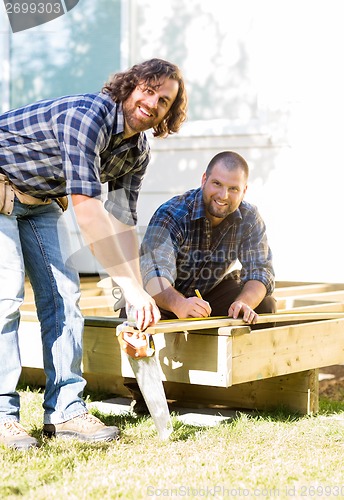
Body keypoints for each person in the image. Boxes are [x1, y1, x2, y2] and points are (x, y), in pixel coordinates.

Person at [0, 58, 187, 450]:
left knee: (65, 298)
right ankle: (2, 416)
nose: (152, 103)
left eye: (164, 101)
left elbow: (121, 224)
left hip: (40, 199)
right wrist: (133, 290)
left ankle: (67, 411)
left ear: (168, 114)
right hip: (2, 183)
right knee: (7, 295)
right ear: (130, 87)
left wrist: (133, 295)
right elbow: (88, 210)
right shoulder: (88, 116)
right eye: (148, 90)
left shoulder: (136, 151)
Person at [125, 150, 276, 413]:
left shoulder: (250, 218)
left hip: (208, 293)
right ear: (204, 179)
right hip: (160, 298)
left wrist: (243, 302)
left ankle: (251, 391)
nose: (223, 195)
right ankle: (146, 395)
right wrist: (181, 305)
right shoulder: (172, 214)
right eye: (217, 184)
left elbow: (261, 272)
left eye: (233, 188)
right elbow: (153, 276)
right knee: (140, 318)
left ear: (244, 191)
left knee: (265, 305)